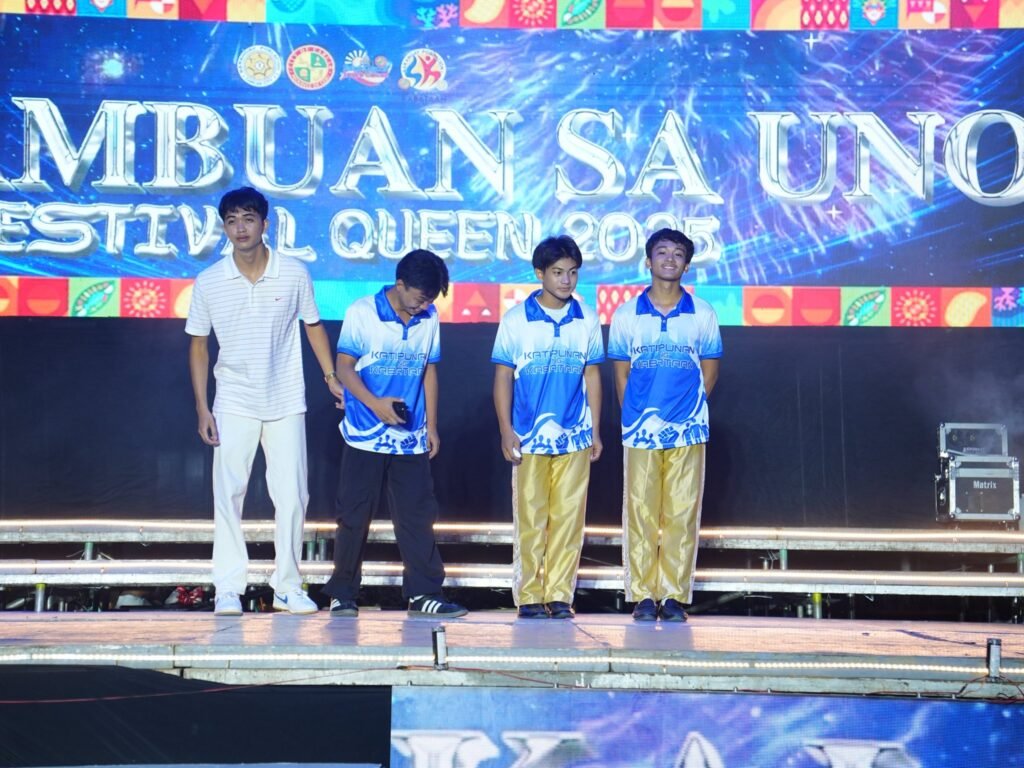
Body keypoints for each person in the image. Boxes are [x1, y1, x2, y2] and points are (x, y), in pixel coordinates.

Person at [186, 186, 343, 616]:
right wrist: (202, 406)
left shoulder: (293, 273)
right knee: (228, 494)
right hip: (233, 398)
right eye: (232, 220)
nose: (240, 228)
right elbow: (198, 345)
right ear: (224, 227)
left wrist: (330, 375)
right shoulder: (209, 280)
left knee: (293, 495)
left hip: (286, 397)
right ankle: (228, 587)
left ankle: (287, 586)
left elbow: (313, 325)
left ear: (264, 224)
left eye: (248, 219)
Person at [322, 249, 467, 619]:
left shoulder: (429, 317)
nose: (424, 306)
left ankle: (424, 593)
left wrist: (431, 425)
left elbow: (429, 371)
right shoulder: (362, 312)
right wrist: (375, 405)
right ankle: (343, 594)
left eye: (430, 300)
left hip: (410, 435)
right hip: (365, 431)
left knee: (417, 516)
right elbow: (344, 367)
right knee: (354, 514)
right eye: (420, 298)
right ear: (400, 284)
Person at [607, 228, 722, 622]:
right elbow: (620, 374)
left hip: (688, 430)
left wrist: (690, 410)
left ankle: (673, 595)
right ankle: (642, 594)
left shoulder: (702, 313)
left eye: (677, 254)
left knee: (681, 512)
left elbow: (710, 370)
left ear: (686, 265)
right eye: (662, 252)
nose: (669, 259)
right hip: (640, 429)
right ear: (648, 260)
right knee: (640, 511)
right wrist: (634, 416)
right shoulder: (627, 314)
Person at [491, 235, 604, 620]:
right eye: (558, 272)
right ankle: (528, 595)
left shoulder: (587, 318)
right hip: (529, 436)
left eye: (573, 272)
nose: (566, 280)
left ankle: (559, 595)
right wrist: (506, 430)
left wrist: (596, 429)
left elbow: (592, 375)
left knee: (569, 519)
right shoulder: (516, 319)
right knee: (531, 517)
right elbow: (502, 377)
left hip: (575, 434)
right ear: (540, 274)